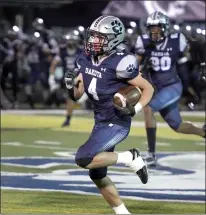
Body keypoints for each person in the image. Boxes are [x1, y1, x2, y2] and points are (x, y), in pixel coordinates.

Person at [64, 15, 154, 214]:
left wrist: (135, 109)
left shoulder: (122, 62)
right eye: (92, 36)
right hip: (100, 121)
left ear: (113, 39)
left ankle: (131, 157)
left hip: (117, 121)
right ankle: (122, 212)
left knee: (83, 159)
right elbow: (78, 95)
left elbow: (148, 89)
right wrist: (71, 87)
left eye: (98, 37)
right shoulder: (86, 57)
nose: (92, 41)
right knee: (97, 174)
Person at [135, 11, 205, 167]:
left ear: (164, 27)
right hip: (156, 89)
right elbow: (135, 64)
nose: (154, 31)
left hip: (172, 86)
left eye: (157, 27)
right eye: (151, 28)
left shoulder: (176, 40)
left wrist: (201, 66)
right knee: (177, 126)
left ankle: (151, 154)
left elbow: (197, 45)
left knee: (148, 109)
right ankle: (203, 132)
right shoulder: (144, 42)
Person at [49, 32, 81, 127]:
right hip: (68, 77)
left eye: (72, 41)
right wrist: (51, 76)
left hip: (80, 76)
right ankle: (68, 119)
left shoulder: (80, 51)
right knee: (70, 99)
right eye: (69, 41)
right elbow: (54, 63)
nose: (70, 43)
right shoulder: (62, 51)